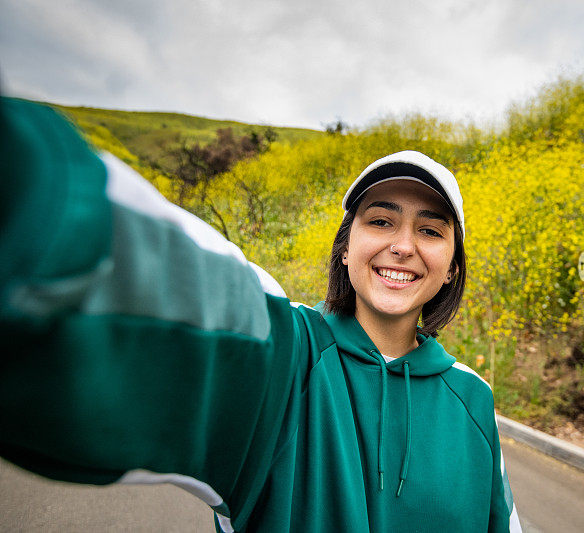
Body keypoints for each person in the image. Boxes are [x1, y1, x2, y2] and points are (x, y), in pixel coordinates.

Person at [0, 97, 521, 532]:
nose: (403, 246)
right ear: (345, 249)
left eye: (430, 231)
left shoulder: (474, 399)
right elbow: (162, 285)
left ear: (452, 268)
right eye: (380, 221)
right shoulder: (287, 359)